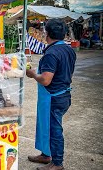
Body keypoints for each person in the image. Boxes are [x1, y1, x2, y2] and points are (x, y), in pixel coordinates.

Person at [26, 19, 76, 170]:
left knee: (54, 130)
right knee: (45, 126)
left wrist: (33, 74)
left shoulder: (51, 53)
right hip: (63, 95)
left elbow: (46, 80)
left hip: (53, 97)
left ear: (46, 34)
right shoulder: (68, 50)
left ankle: (57, 163)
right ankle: (46, 154)